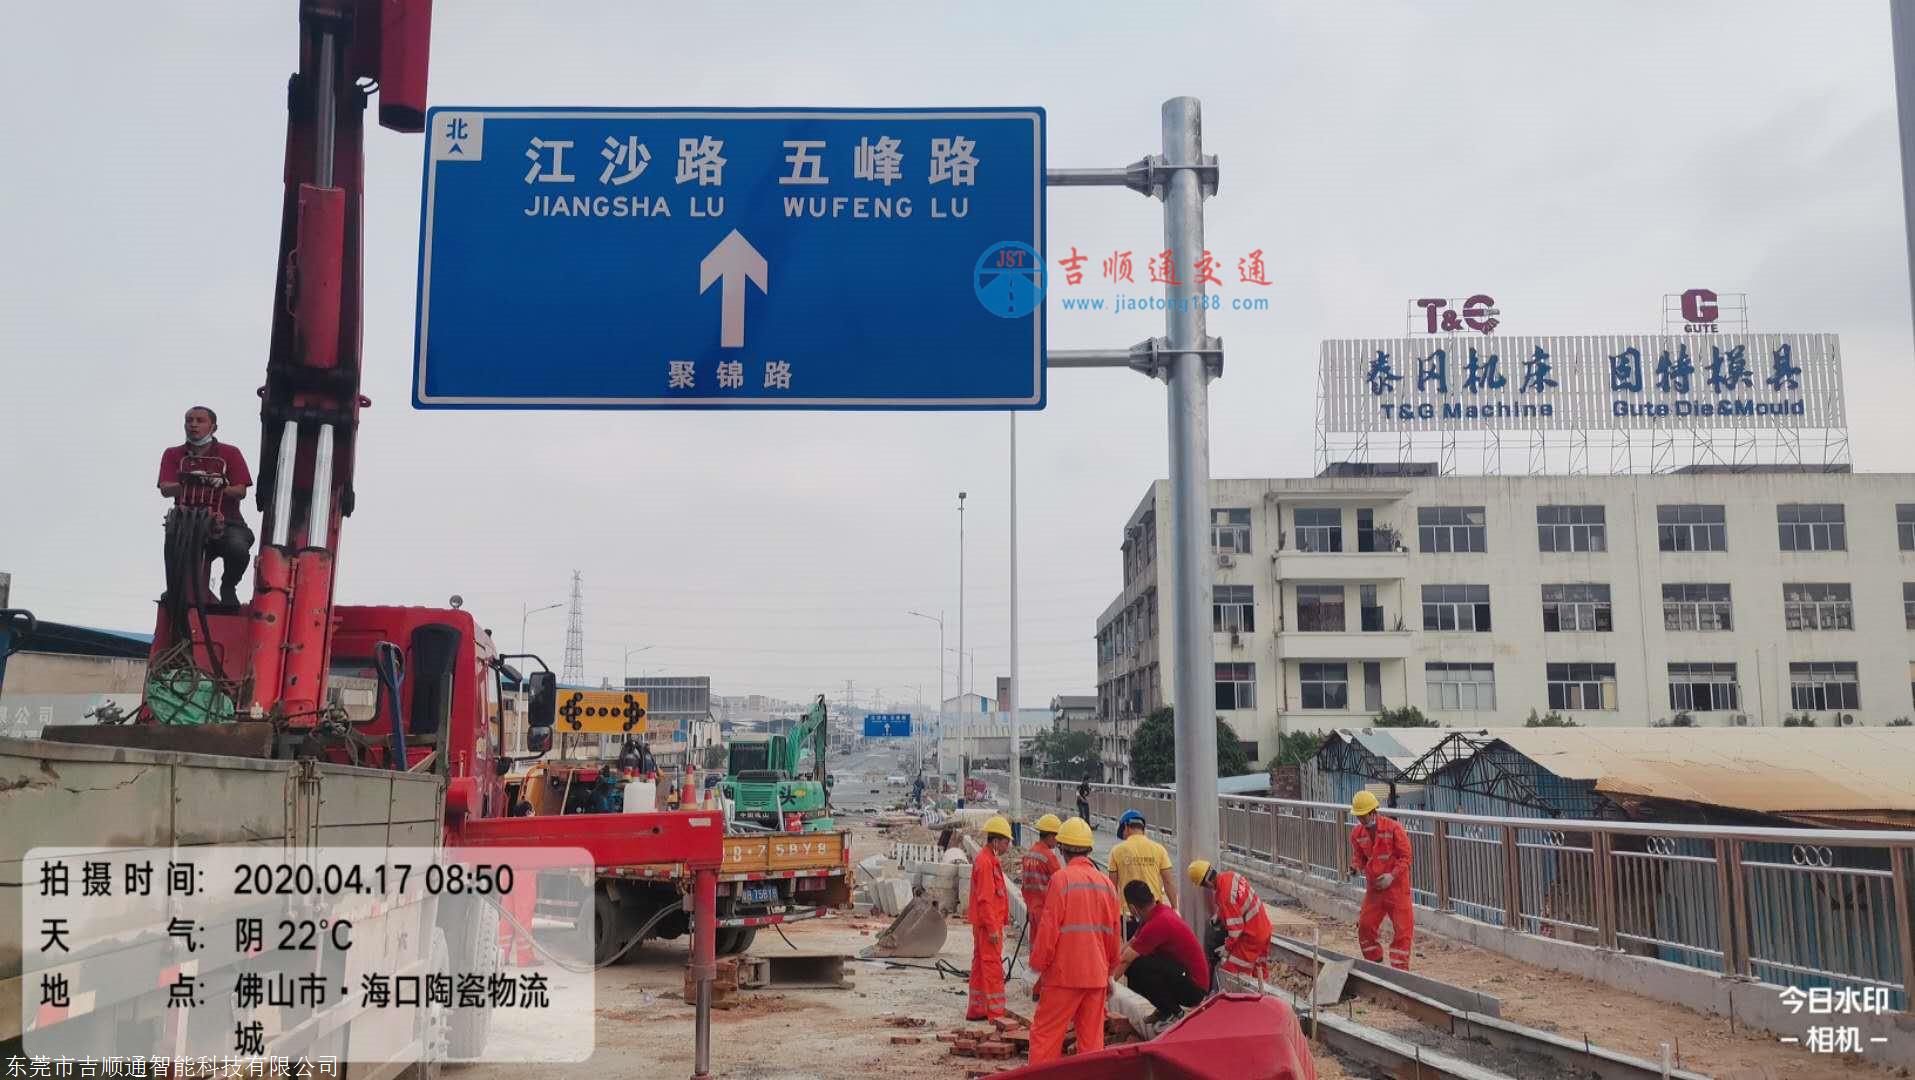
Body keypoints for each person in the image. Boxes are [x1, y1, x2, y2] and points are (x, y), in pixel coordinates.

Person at [1029, 817, 1121, 1064]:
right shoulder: (1107, 885)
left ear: (1062, 849)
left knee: (1046, 1037)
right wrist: (1110, 972)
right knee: (1091, 1044)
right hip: (1096, 977)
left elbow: (1048, 931)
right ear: (1089, 850)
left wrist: (1037, 967)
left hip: (1064, 976)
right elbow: (1114, 935)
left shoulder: (1062, 880)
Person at [157, 405, 254, 606]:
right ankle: (177, 588)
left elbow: (240, 491)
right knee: (175, 545)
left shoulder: (230, 453)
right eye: (189, 420)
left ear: (214, 427)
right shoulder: (173, 454)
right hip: (186, 520)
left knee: (238, 549)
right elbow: (166, 488)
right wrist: (189, 482)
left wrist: (220, 485)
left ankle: (229, 585)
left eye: (200, 421)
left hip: (228, 521)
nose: (193, 425)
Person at [1111, 879, 1208, 1024]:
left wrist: (1106, 988)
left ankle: (1173, 1012)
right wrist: (1108, 966)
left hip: (1195, 988)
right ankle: (1164, 1008)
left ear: (1132, 908)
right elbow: (1130, 943)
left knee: (1137, 967)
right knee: (1139, 962)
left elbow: (1126, 959)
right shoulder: (1155, 913)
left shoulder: (1159, 922)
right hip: (1183, 976)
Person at [1349, 790, 1415, 971]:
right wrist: (1355, 867)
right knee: (1365, 926)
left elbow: (1406, 857)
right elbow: (1359, 857)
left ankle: (1400, 972)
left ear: (1372, 812)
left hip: (1397, 889)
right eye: (1359, 816)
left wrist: (1391, 876)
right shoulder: (1357, 833)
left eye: (1363, 815)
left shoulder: (1393, 828)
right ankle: (1375, 963)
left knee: (1403, 931)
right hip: (1375, 889)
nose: (1361, 820)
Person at [1188, 859, 1273, 989]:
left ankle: (1237, 1003)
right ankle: (1264, 999)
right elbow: (1237, 905)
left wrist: (1226, 950)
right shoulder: (1231, 876)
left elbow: (1235, 931)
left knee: (1232, 972)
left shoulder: (1225, 897)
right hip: (1264, 928)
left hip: (1251, 937)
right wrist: (1219, 916)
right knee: (1259, 968)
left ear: (1206, 883)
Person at [965, 815, 1014, 1022]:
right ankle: (996, 1013)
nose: (1008, 846)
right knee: (993, 968)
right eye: (1005, 842)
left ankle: (977, 1009)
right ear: (996, 841)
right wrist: (993, 928)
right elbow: (985, 899)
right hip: (988, 927)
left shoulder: (990, 860)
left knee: (979, 966)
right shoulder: (986, 863)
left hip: (986, 925)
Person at [1109, 810, 1176, 938]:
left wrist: (1112, 914)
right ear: (1143, 828)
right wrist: (1174, 908)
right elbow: (1169, 882)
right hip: (1154, 913)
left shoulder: (1116, 851)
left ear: (1126, 827)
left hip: (1128, 915)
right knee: (1154, 953)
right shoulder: (1159, 849)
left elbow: (1112, 887)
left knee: (1132, 952)